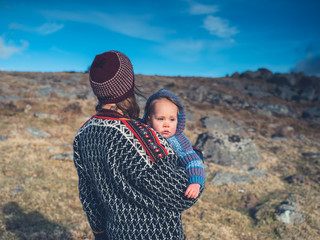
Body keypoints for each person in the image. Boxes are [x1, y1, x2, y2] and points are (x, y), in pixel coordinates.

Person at [73, 50, 202, 240]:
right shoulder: (141, 137)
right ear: (128, 84)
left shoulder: (83, 134)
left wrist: (100, 235)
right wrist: (195, 158)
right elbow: (179, 193)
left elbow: (89, 196)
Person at [142, 89, 205, 199]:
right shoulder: (142, 132)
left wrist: (195, 183)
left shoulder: (177, 140)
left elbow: (192, 160)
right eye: (161, 119)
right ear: (149, 119)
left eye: (172, 119)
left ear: (178, 120)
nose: (166, 124)